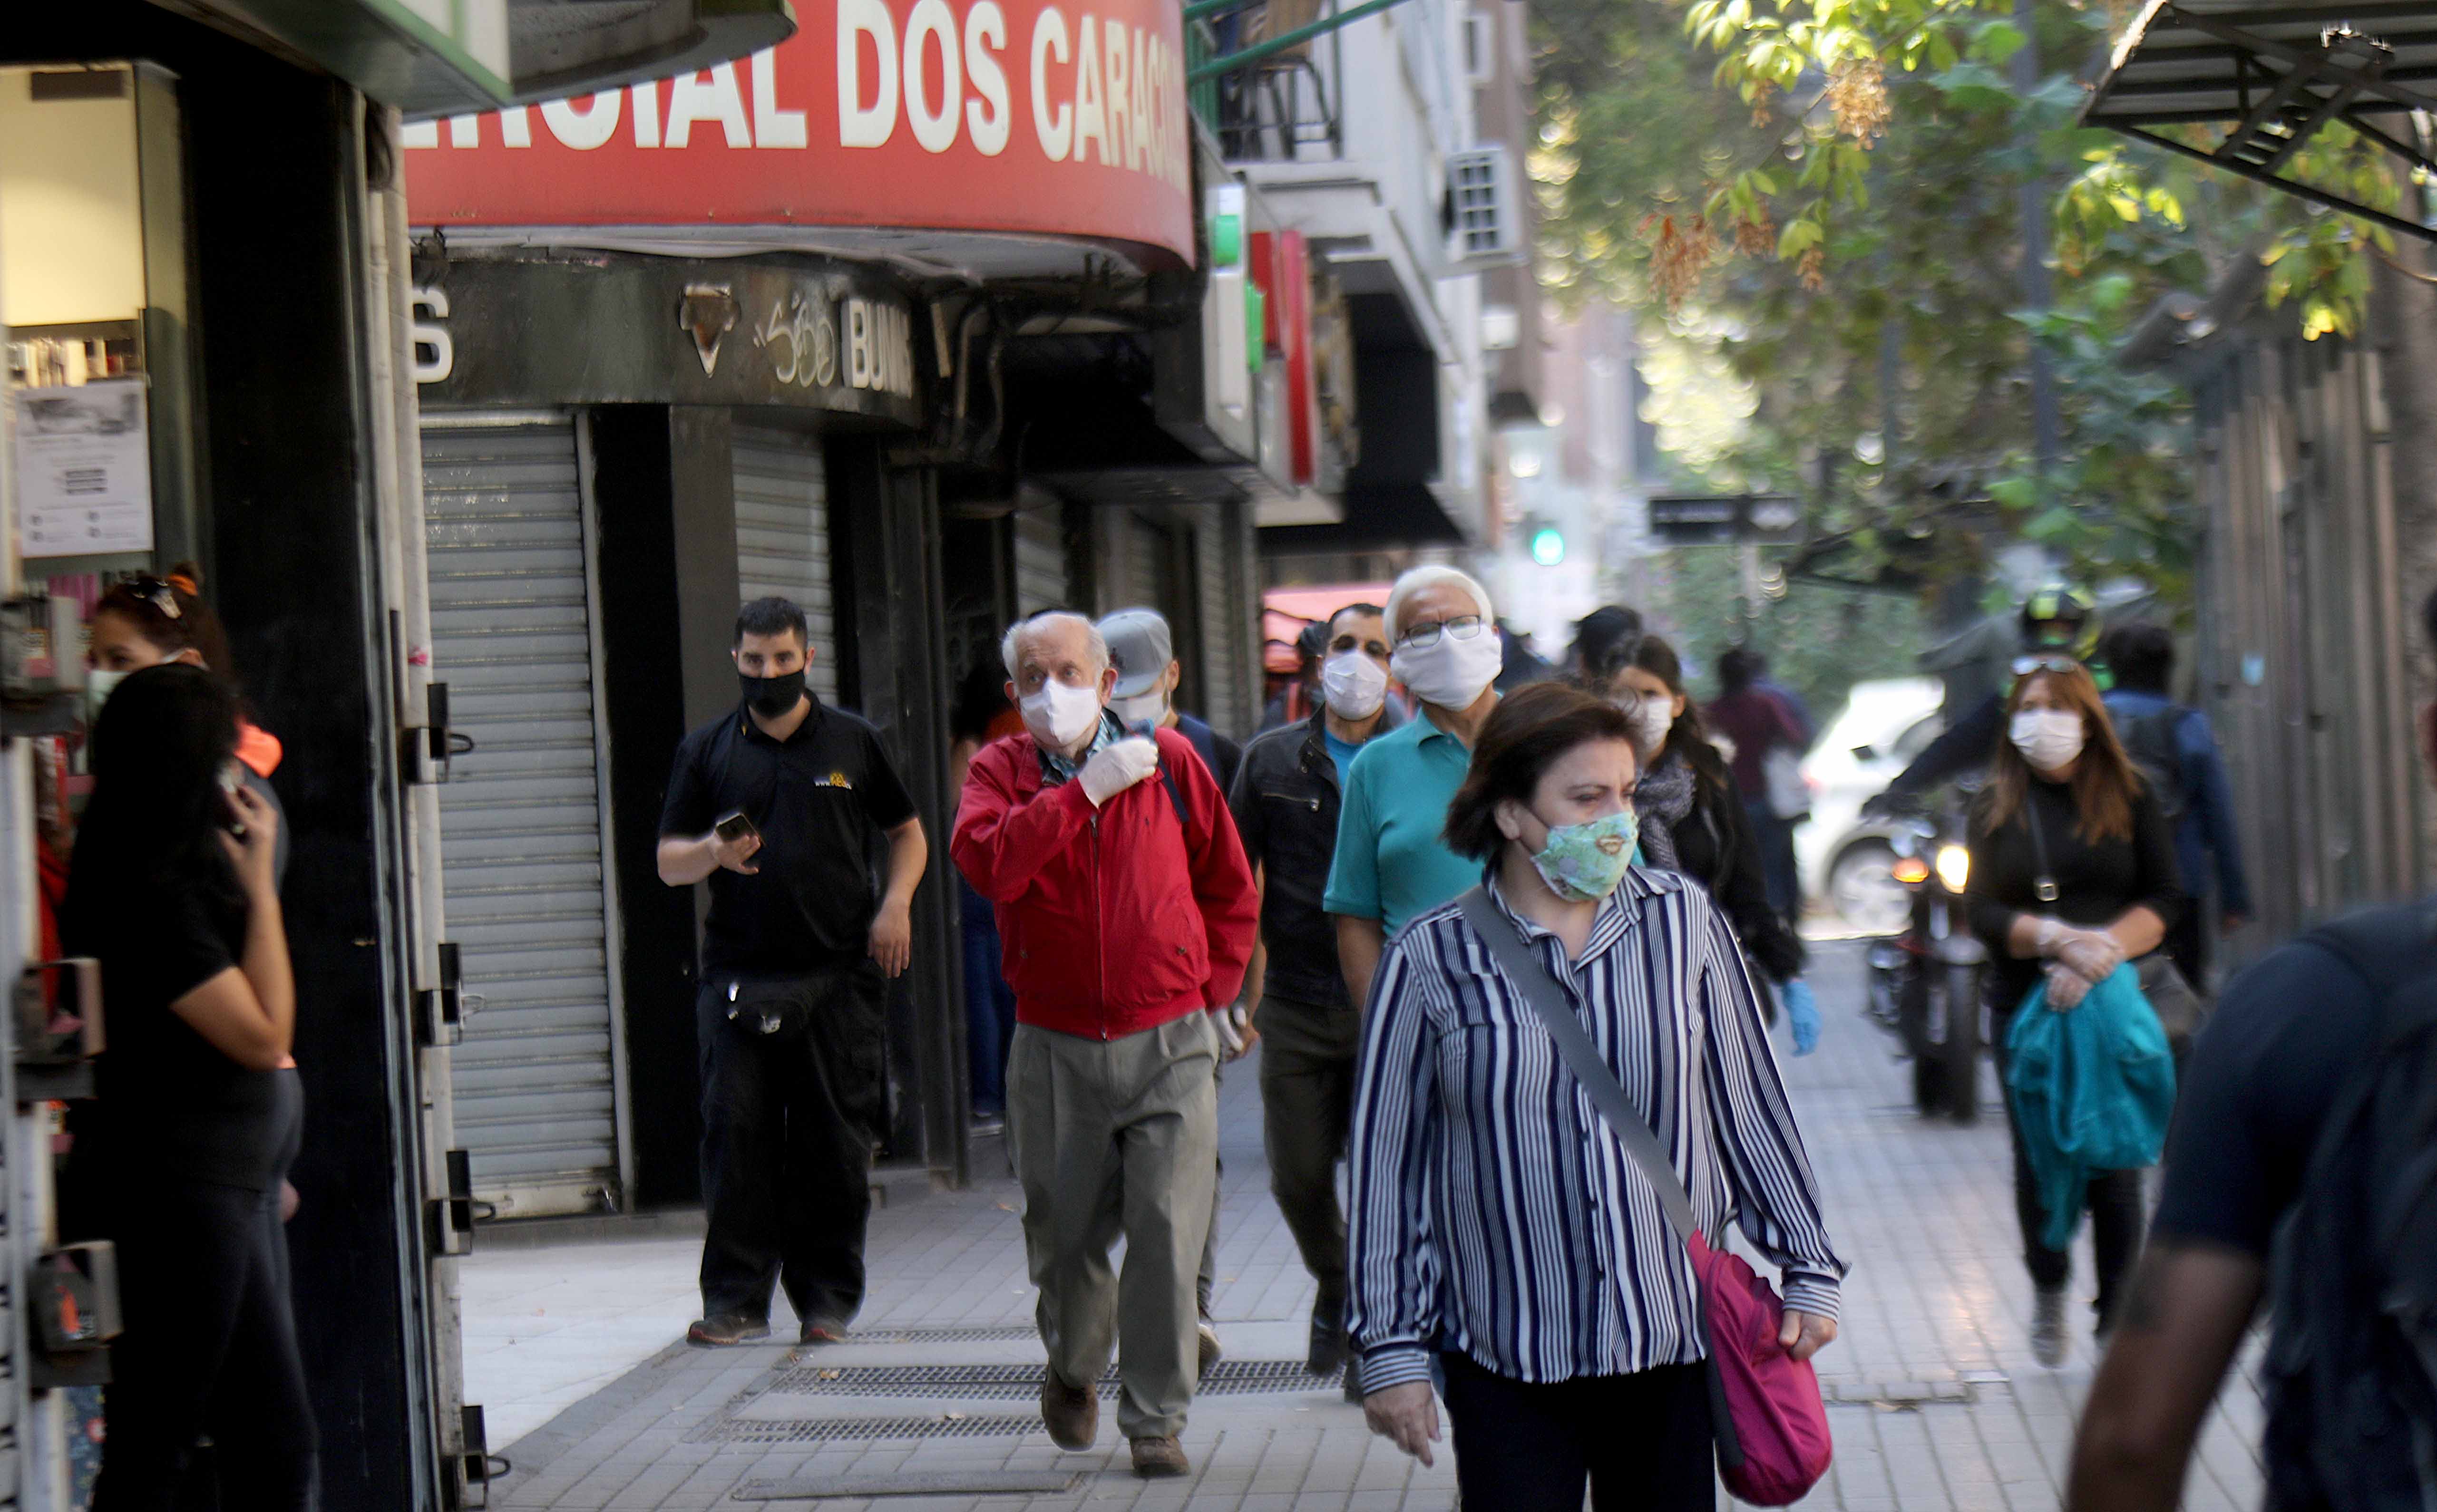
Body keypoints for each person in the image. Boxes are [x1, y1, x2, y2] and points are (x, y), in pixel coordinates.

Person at [1348, 682, 1844, 1512]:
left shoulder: (1683, 925)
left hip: (1670, 1344)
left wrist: (1809, 1268)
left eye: (1622, 794)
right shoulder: (1429, 959)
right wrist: (1390, 1352)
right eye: (1584, 798)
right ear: (1509, 814)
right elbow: (1385, 1169)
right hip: (1506, 1355)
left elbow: (1751, 1109)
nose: (1614, 819)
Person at [2063, 587, 2437, 1512]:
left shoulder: (2317, 1005)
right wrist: (2227, 891)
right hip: (2171, 917)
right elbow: (2220, 810)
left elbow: (2131, 1443)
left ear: (2430, 738)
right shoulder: (2187, 730)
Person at [951, 610, 1259, 1478]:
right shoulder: (998, 773)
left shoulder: (1172, 766)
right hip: (1052, 1046)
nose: (1056, 691)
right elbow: (987, 864)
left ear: (1108, 679)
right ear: (1013, 694)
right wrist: (1077, 794)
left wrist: (1214, 996)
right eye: (1035, 677)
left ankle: (1155, 1416)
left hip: (1166, 1036)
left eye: (1072, 671)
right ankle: (1074, 1366)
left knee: (1167, 1226)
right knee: (1065, 1235)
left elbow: (1228, 885)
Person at [63, 665, 313, 1507]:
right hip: (178, 1188)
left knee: (266, 1438)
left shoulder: (170, 869)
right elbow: (261, 1033)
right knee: (164, 1436)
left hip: (220, 1185)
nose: (234, 781)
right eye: (220, 759)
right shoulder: (147, 891)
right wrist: (260, 886)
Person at [657, 597, 928, 1348]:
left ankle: (827, 1303)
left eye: (781, 661)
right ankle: (735, 1302)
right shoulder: (707, 751)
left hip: (839, 976)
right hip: (738, 976)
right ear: (735, 660)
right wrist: (712, 853)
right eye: (752, 662)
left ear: (808, 659)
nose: (767, 674)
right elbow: (666, 863)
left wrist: (895, 905)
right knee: (734, 1136)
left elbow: (908, 835)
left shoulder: (855, 741)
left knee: (832, 1146)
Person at [1963, 659, 2183, 1367]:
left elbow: (2168, 897)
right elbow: (1983, 910)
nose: (2041, 722)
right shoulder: (1994, 804)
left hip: (2114, 1002)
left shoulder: (2132, 794)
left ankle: (2117, 1316)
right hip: (2024, 1004)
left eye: (2056, 708)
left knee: (2116, 1159)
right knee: (2042, 1152)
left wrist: (2102, 953)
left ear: (2088, 719)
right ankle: (2050, 1284)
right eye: (2027, 708)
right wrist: (2053, 940)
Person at [1227, 601, 1400, 1387]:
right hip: (1293, 1001)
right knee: (1295, 1175)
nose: (1357, 660)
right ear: (1316, 657)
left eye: (1374, 647)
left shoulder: (1417, 757)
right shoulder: (1269, 762)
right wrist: (1231, 988)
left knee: (1379, 1177)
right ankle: (1337, 1284)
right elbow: (1230, 881)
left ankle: (1368, 1328)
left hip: (1390, 1002)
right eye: (1344, 645)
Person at [1099, 603, 1244, 1360]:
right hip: (1090, 1011)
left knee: (1194, 1157)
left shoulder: (1209, 754)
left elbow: (1238, 882)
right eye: (1110, 683)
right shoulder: (1066, 755)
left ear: (1173, 677)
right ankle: (1131, 1306)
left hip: (1189, 998)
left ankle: (1190, 1305)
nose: (1125, 701)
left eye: (1139, 685)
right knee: (1110, 1174)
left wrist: (1235, 996)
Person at [1591, 634, 1816, 1050]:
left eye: (1651, 694)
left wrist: (1789, 976)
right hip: (1619, 994)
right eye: (1626, 695)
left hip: (1709, 986)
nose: (1639, 707)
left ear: (1677, 703)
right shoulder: (1585, 788)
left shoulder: (1709, 780)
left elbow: (1746, 890)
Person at [1326, 566, 1505, 1009]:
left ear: (1494, 636)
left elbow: (1617, 880)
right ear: (1398, 660)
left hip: (1551, 1025)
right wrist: (1387, 1033)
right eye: (1422, 632)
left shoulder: (1556, 743)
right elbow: (1356, 917)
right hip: (1426, 1025)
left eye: (1463, 625)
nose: (1447, 643)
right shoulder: (1375, 767)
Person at [2096, 621, 2251, 987]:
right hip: (2182, 886)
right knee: (2181, 998)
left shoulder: (2093, 722)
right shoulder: (2190, 726)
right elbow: (2220, 816)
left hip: (2105, 884)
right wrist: (2235, 898)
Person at [1881, 582, 2102, 804]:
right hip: (2026, 807)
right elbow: (1962, 740)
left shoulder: (2108, 687)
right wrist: (1902, 788)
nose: (2052, 639)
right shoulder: (2017, 689)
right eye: (2044, 630)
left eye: (2062, 630)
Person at [950, 658, 1025, 1124]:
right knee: (1008, 981)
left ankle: (988, 1095)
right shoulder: (1019, 730)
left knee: (979, 984)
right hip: (1015, 855)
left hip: (974, 863)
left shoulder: (967, 744)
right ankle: (1012, 1088)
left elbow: (959, 806)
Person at [1704, 646, 1810, 919]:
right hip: (1768, 801)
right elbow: (1796, 737)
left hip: (1727, 805)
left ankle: (1752, 929)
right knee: (1779, 866)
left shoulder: (1711, 712)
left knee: (1741, 869)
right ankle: (1783, 925)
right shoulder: (1765, 705)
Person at [1101, 606, 1243, 795]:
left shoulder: (1220, 757)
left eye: (1144, 690)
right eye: (1118, 695)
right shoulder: (1087, 759)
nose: (1131, 703)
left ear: (1173, 675)